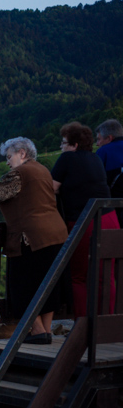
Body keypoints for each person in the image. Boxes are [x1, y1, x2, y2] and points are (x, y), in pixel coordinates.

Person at [0, 136, 68, 344]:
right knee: (49, 285)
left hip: (32, 236)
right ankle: (46, 330)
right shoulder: (42, 170)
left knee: (22, 285)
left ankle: (38, 332)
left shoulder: (21, 173)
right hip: (55, 233)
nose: (7, 162)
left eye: (9, 156)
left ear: (22, 153)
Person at [50, 122, 119, 316]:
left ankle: (82, 327)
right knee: (105, 276)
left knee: (78, 276)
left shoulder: (67, 158)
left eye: (64, 143)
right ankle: (106, 323)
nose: (61, 147)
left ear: (74, 145)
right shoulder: (96, 158)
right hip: (110, 217)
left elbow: (51, 187)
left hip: (84, 220)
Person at [95, 119, 123, 197]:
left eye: (98, 139)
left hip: (116, 202)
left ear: (109, 138)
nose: (97, 144)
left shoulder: (103, 151)